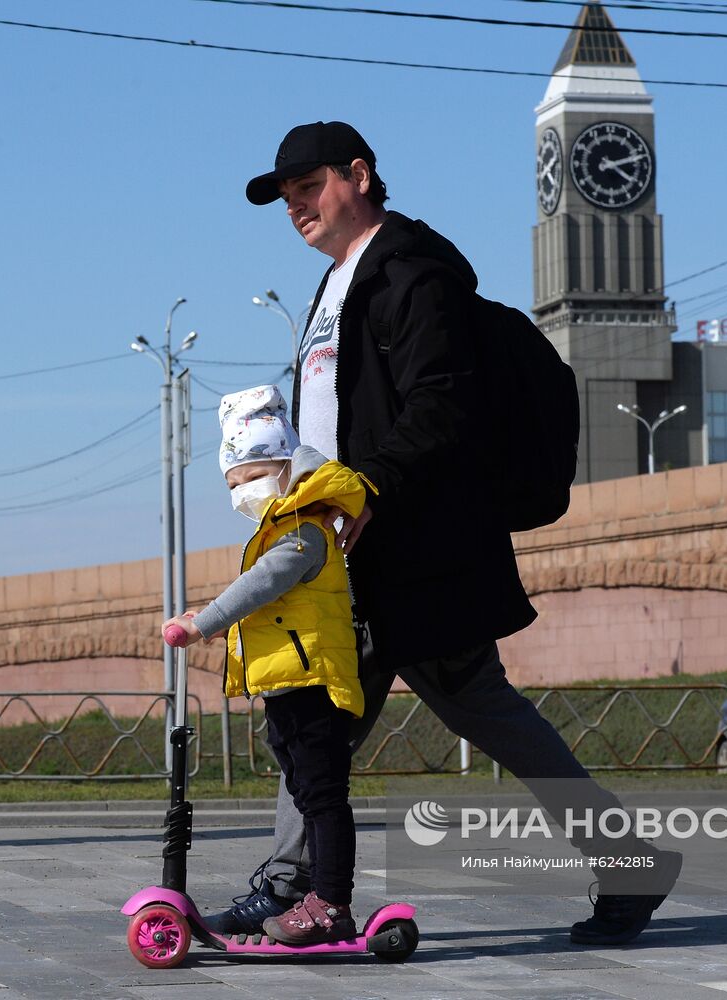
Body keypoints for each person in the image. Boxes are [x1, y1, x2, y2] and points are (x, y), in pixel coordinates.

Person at [206, 121, 681, 947]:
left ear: (359, 175)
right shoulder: (336, 284)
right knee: (350, 714)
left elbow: (441, 408)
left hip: (411, 549)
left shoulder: (413, 275)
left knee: (381, 712)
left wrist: (369, 486)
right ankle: (295, 886)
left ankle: (292, 886)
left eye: (308, 186)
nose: (295, 205)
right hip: (352, 550)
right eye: (285, 196)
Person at [163, 384, 373, 945]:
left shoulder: (304, 534)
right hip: (287, 685)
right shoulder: (280, 527)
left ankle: (331, 904)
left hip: (313, 684)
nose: (241, 495)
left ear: (283, 467)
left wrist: (201, 623)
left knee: (324, 797)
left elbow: (261, 585)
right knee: (306, 793)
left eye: (248, 480)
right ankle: (312, 895)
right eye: (232, 486)